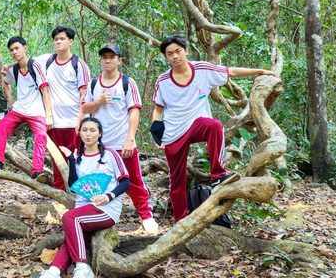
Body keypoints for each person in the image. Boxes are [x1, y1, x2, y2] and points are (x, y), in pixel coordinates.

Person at [151, 35, 278, 222]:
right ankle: (179, 223)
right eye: (170, 54)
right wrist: (157, 136)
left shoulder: (202, 69)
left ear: (186, 51)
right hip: (173, 133)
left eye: (178, 51)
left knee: (214, 125)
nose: (175, 56)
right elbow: (157, 110)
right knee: (176, 183)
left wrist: (260, 71)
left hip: (196, 125)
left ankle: (218, 174)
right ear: (166, 57)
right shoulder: (163, 81)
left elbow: (230, 72)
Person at [81, 43, 158, 234]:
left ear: (119, 61)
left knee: (132, 180)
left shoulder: (127, 83)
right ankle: (96, 214)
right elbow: (85, 108)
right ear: (100, 60)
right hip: (98, 146)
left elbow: (134, 111)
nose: (107, 60)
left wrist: (130, 139)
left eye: (112, 57)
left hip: (122, 142)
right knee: (96, 181)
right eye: (104, 57)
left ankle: (146, 216)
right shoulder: (93, 83)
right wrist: (98, 101)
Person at [39, 117, 130, 278]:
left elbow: (125, 182)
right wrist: (72, 161)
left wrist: (109, 196)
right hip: (82, 210)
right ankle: (53, 272)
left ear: (100, 134)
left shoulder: (110, 155)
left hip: (105, 209)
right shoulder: (78, 158)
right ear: (79, 132)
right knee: (71, 240)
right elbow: (74, 185)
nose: (88, 134)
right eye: (85, 130)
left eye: (93, 130)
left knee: (69, 217)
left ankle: (82, 266)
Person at [0, 36, 52, 182]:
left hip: (36, 110)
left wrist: (49, 115)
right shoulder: (14, 69)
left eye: (17, 48)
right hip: (19, 109)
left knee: (40, 136)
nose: (14, 52)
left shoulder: (35, 66)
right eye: (11, 50)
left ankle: (37, 171)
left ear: (25, 48)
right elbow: (6, 83)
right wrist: (10, 100)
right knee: (1, 126)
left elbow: (45, 90)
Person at [34, 26, 91, 191]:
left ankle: (79, 197)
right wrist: (8, 67)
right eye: (56, 39)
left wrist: (81, 122)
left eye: (62, 39)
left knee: (77, 162)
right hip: (54, 123)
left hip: (74, 123)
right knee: (57, 162)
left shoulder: (78, 65)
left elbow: (84, 95)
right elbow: (24, 60)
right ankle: (60, 197)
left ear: (71, 41)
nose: (58, 42)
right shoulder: (47, 61)